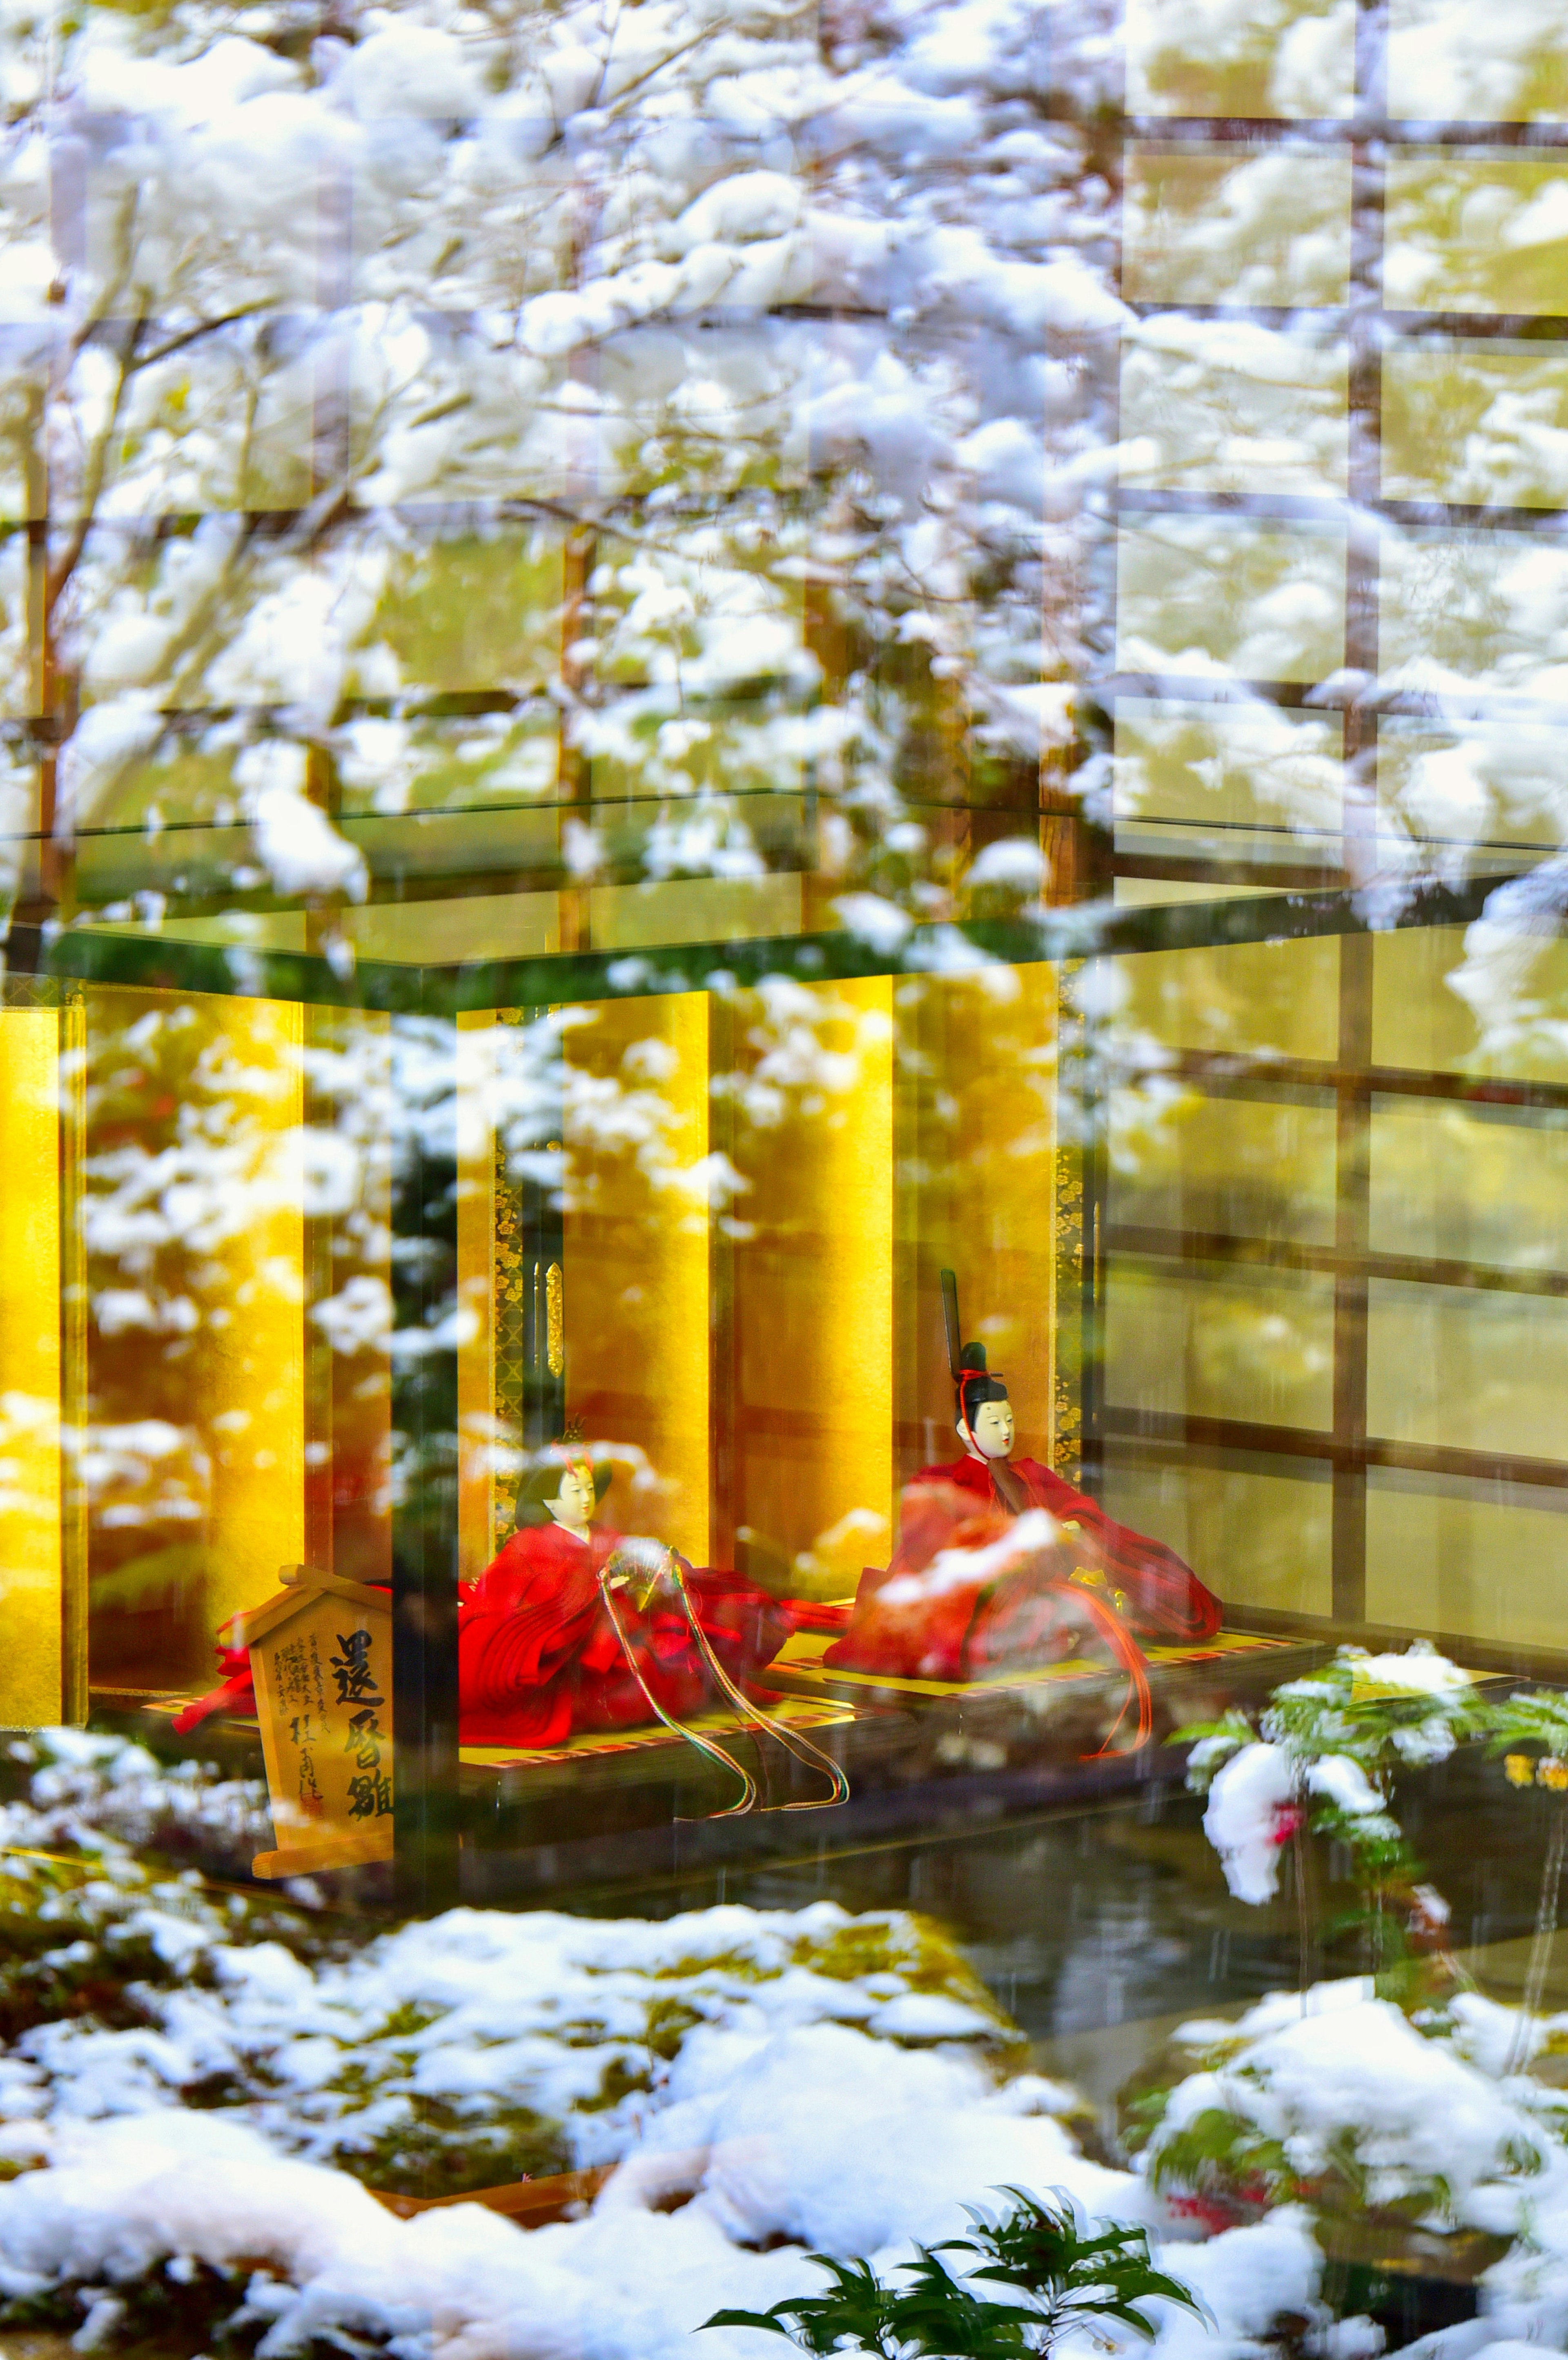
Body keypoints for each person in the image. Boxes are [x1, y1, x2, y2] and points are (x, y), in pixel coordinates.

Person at [824, 1340, 1221, 1690]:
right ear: (966, 1429)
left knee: (1088, 1608)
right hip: (978, 1598)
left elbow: (1074, 1507)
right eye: (994, 1422)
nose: (1006, 1430)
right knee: (1018, 1628)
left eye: (1009, 1419)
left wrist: (1072, 1528)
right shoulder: (942, 1483)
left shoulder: (1027, 1474)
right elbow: (933, 1554)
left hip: (1039, 1584)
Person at [458, 1449, 793, 1748]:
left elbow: (636, 1560)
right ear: (548, 1501)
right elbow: (519, 1592)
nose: (586, 1498)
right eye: (575, 1491)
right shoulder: (529, 1543)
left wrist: (656, 1569)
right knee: (631, 1669)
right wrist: (589, 1590)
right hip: (583, 1644)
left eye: (589, 1489)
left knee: (679, 1650)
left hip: (630, 1625)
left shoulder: (605, 1534)